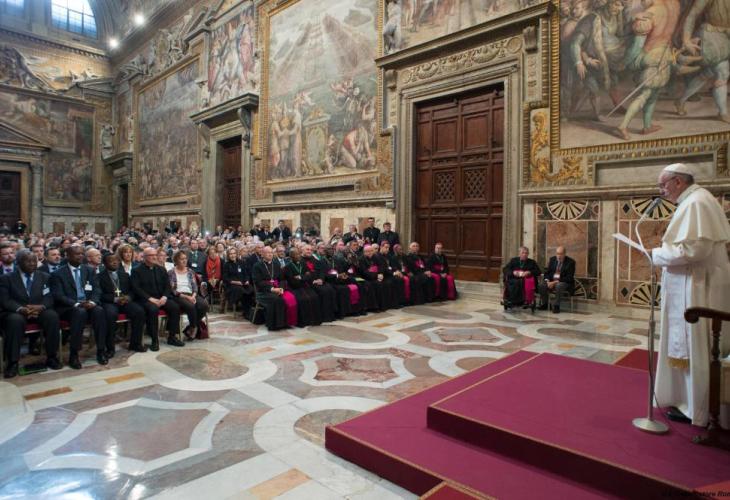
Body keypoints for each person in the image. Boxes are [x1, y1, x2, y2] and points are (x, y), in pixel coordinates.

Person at [651, 163, 730, 427]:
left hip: (698, 287)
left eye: (663, 185)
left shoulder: (696, 203)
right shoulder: (694, 201)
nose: (661, 190)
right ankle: (686, 401)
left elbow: (694, 250)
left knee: (696, 342)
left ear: (678, 181)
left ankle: (697, 407)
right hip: (692, 283)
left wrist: (657, 255)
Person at [0, 250, 61, 378]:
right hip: (17, 312)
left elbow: (50, 296)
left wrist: (42, 306)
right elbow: (5, 300)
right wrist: (20, 309)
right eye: (28, 261)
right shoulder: (7, 278)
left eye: (34, 261)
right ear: (18, 262)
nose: (32, 263)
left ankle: (52, 357)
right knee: (14, 321)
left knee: (52, 317)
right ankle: (13, 362)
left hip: (39, 309)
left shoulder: (45, 277)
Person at [50, 245, 109, 368]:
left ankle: (101, 350)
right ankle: (74, 354)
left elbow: (97, 289)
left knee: (99, 311)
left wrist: (93, 302)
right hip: (69, 307)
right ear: (67, 256)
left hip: (88, 303)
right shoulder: (58, 273)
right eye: (77, 254)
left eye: (82, 253)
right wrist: (77, 304)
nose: (80, 256)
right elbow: (58, 295)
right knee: (79, 312)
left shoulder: (89, 270)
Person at [131, 247, 184, 349]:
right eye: (151, 255)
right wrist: (150, 299)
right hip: (146, 299)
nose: (155, 257)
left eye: (155, 255)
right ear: (144, 257)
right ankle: (154, 340)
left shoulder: (161, 269)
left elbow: (167, 286)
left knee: (175, 307)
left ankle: (172, 337)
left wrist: (164, 296)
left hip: (161, 298)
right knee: (153, 310)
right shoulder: (136, 270)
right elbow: (136, 288)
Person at [98, 253, 147, 353]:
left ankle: (135, 344)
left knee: (139, 311)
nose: (114, 262)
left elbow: (133, 290)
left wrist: (129, 297)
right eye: (111, 261)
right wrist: (115, 299)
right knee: (110, 315)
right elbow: (99, 294)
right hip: (110, 302)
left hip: (125, 301)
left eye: (116, 260)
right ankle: (110, 348)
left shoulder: (124, 275)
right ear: (105, 263)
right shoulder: (99, 277)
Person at [169, 251, 209, 341]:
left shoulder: (190, 271)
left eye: (185, 258)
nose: (184, 261)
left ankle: (190, 327)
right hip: (179, 295)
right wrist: (187, 297)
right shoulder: (171, 272)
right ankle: (194, 328)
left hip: (191, 294)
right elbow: (172, 290)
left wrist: (193, 296)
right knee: (190, 306)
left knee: (204, 305)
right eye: (181, 259)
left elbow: (195, 286)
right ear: (176, 260)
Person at [251, 246, 289, 330]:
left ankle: (283, 323)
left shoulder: (276, 264)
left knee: (288, 298)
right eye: (268, 252)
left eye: (271, 252)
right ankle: (274, 325)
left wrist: (281, 288)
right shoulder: (257, 266)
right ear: (262, 254)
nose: (270, 254)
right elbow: (258, 282)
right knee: (276, 299)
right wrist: (272, 289)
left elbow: (281, 279)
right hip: (263, 292)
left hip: (277, 289)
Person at [282, 247, 321, 327]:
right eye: (296, 254)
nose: (298, 256)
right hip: (294, 288)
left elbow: (309, 275)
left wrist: (300, 277)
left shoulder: (303, 263)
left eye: (299, 254)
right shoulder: (288, 267)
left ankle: (314, 320)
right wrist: (304, 277)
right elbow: (292, 281)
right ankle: (304, 321)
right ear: (291, 256)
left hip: (304, 286)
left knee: (314, 297)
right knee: (302, 300)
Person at [302, 244, 338, 322]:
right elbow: (303, 274)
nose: (309, 251)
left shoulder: (315, 260)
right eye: (307, 249)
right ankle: (324, 316)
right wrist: (313, 281)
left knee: (330, 289)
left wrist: (321, 279)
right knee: (324, 291)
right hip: (309, 283)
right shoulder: (301, 261)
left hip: (319, 281)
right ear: (302, 250)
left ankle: (330, 315)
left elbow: (322, 270)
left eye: (311, 250)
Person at [538, 246, 575, 313]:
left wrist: (555, 282)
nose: (559, 256)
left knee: (559, 285)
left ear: (564, 254)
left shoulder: (571, 262)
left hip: (564, 282)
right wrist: (547, 281)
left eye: (561, 254)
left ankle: (556, 306)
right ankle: (546, 303)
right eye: (557, 253)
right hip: (551, 281)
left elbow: (569, 278)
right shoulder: (552, 259)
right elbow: (547, 272)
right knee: (541, 285)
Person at [222, 247, 253, 315]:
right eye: (230, 254)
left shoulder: (242, 262)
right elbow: (225, 278)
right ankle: (246, 311)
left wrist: (247, 280)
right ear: (228, 255)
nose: (232, 255)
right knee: (240, 290)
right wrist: (235, 282)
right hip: (231, 285)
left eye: (234, 253)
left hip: (242, 283)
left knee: (250, 288)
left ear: (236, 254)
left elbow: (246, 274)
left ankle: (248, 309)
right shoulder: (226, 264)